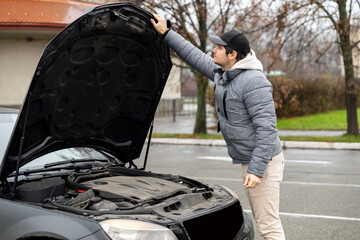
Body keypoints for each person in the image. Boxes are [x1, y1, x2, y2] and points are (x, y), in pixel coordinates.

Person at [151, 14, 285, 240]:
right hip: (250, 159)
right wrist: (166, 33)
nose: (213, 51)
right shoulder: (224, 73)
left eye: (218, 48)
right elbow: (193, 55)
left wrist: (256, 169)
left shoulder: (254, 82)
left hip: (263, 162)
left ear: (232, 54)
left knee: (268, 225)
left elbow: (267, 129)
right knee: (265, 221)